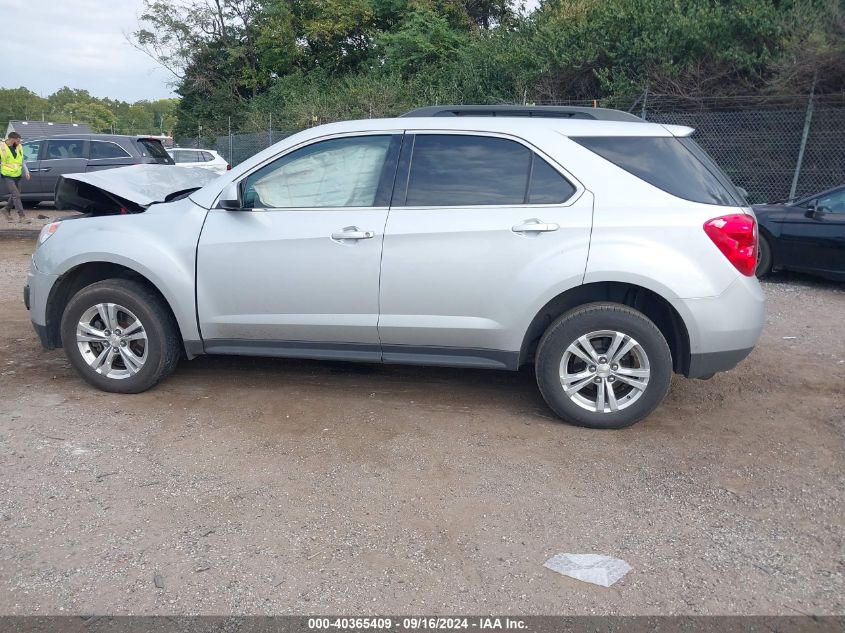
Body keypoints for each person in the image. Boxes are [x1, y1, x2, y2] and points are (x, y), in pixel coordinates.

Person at [0, 132, 32, 223]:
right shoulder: (1, 147)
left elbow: (21, 160)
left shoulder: (19, 146)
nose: (19, 142)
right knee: (16, 195)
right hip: (7, 174)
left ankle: (6, 209)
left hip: (18, 174)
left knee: (16, 194)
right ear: (11, 139)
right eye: (17, 140)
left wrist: (27, 171)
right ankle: (22, 217)